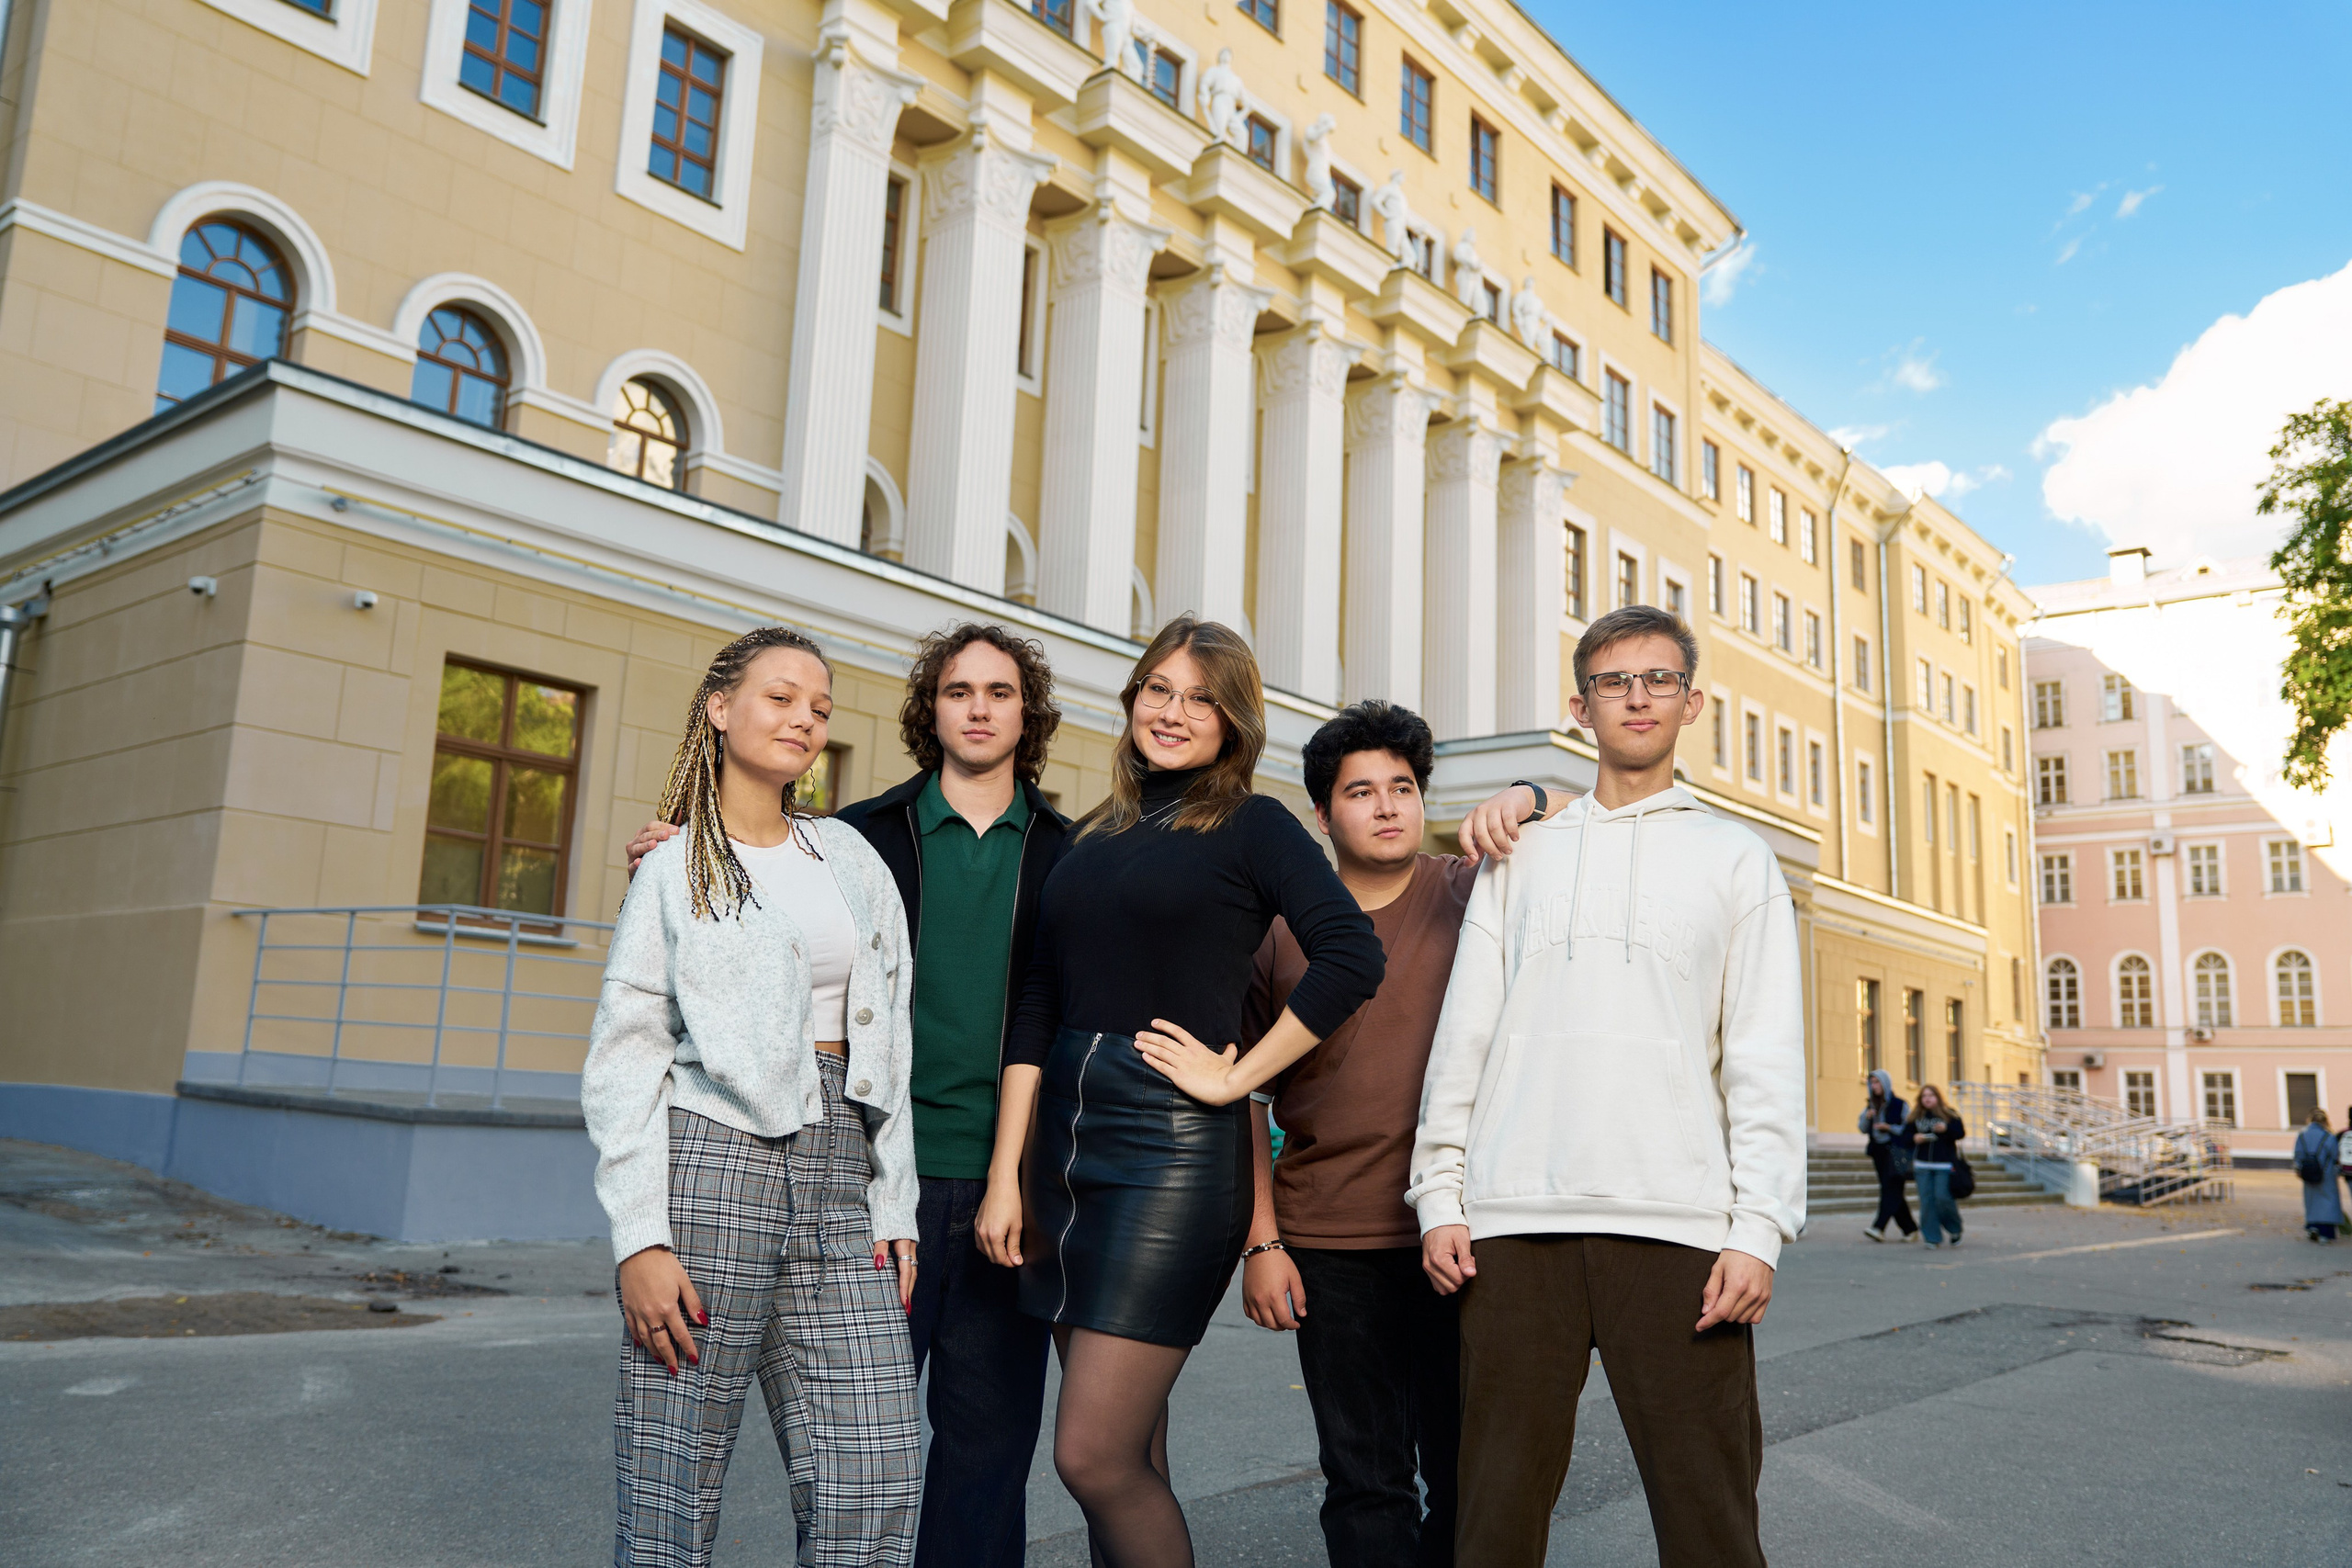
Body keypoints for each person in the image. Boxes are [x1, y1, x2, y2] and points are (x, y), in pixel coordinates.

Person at [628, 622, 1069, 1568]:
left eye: (1000, 692)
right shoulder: (858, 836)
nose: (980, 707)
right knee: (859, 1453)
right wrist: (685, 856)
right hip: (864, 1178)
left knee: (985, 1456)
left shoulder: (1070, 854)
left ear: (1025, 713)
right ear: (931, 709)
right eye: (960, 690)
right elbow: (742, 906)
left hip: (1008, 1189)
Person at [977, 616, 1386, 1568]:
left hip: (1167, 1156)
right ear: (1130, 701)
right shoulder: (1095, 832)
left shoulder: (1253, 825)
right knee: (1133, 1448)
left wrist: (1240, 1074)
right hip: (1059, 1155)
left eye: (1201, 697)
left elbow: (1349, 953)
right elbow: (1035, 999)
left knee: (1092, 1455)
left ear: (1233, 722)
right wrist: (1005, 1174)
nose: (1173, 711)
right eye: (1158, 689)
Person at [1408, 603, 1805, 1568]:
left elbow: (1763, 1055)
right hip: (1512, 1222)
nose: (1635, 696)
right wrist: (1438, 1194)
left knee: (1710, 1520)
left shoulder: (1737, 860)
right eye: (1612, 681)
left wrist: (1759, 1229)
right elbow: (1466, 1029)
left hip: (1678, 1231)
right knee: (1492, 1520)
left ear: (1691, 702)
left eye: (1657, 679)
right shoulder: (1521, 850)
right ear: (1578, 707)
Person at [583, 626, 922, 1567]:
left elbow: (890, 1034)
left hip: (841, 1172)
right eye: (780, 698)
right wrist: (640, 1239)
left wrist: (895, 1201)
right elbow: (626, 1054)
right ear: (720, 709)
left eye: (818, 708)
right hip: (711, 1162)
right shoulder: (674, 865)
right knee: (672, 1473)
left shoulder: (850, 858)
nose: (803, 719)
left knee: (877, 1464)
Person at [1238, 701, 1477, 1568]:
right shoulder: (1279, 931)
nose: (1387, 806)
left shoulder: (1471, 891)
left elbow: (1578, 827)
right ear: (1322, 813)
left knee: (1471, 1470)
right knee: (1364, 1475)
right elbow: (1247, 1099)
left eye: (1404, 788)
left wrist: (1524, 794)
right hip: (1329, 1238)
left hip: (1464, 1232)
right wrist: (1261, 1239)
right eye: (1362, 791)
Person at [1860, 1068, 1917, 1242]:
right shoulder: (1870, 1105)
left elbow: (1908, 1128)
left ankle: (1878, 1227)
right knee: (1893, 1190)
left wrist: (1889, 1127)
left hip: (1896, 1151)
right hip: (1878, 1152)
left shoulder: (1900, 1104)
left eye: (1877, 1082)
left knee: (1890, 1189)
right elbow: (1862, 1128)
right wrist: (1867, 1117)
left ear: (1885, 1083)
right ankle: (1910, 1229)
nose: (1874, 1086)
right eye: (1872, 1082)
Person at [1906, 1084, 1966, 1249]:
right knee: (1927, 1202)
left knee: (1943, 1198)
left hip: (1944, 1165)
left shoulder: (1950, 1114)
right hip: (1922, 1164)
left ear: (1938, 1097)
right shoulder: (1915, 1116)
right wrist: (1914, 1137)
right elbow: (1905, 1136)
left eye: (1931, 1095)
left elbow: (1960, 1133)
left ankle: (1954, 1229)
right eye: (1924, 1096)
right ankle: (1932, 1237)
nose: (1927, 1098)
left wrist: (1946, 1129)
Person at [2293, 1107, 2343, 1243]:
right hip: (2327, 1174)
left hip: (2308, 1173)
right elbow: (2335, 1155)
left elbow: (2298, 1155)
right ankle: (2325, 1232)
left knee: (2311, 1200)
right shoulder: (2329, 1136)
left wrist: (2299, 1169)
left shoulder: (2302, 1135)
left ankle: (2312, 1226)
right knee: (2328, 1201)